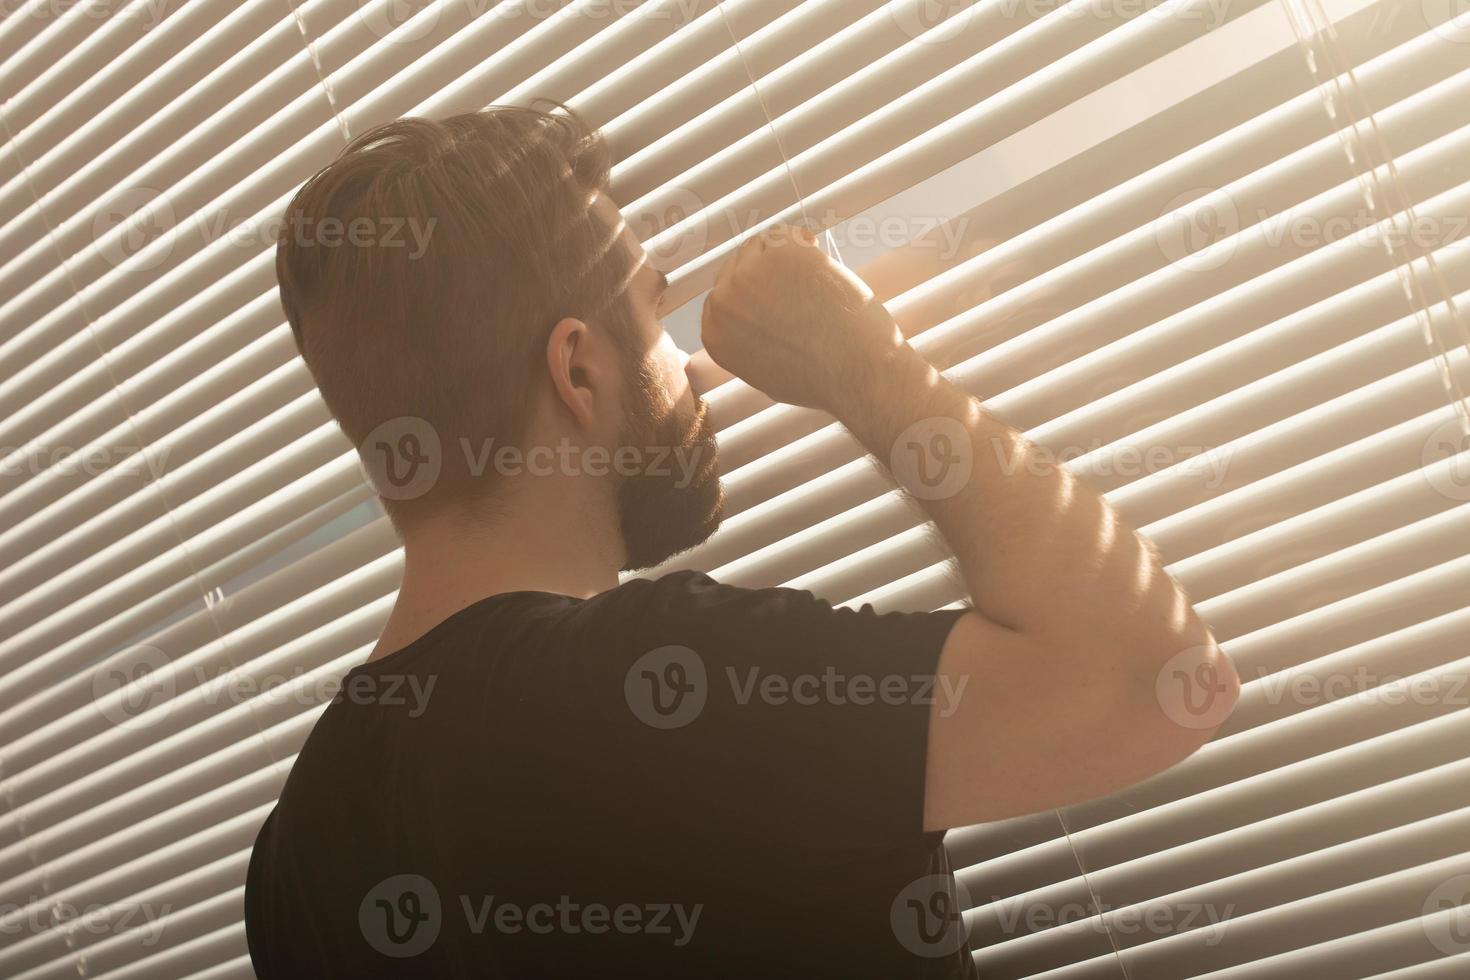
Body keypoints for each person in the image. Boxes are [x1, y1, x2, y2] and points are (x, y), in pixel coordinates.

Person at [243, 101, 1239, 979]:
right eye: (651, 308)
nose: (688, 364)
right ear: (578, 373)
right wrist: (861, 355)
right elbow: (1153, 678)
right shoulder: (670, 678)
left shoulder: (291, 865)